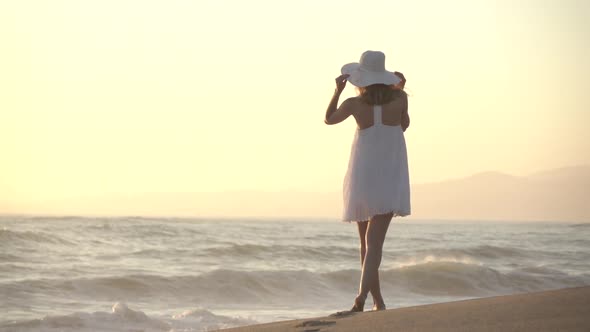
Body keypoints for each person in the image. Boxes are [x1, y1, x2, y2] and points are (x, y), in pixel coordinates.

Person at [324, 50, 411, 312]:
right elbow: (404, 125)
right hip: (389, 176)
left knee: (366, 244)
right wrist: (399, 90)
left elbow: (329, 119)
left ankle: (371, 300)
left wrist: (337, 92)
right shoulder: (400, 99)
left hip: (362, 176)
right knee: (374, 245)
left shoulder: (353, 104)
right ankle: (367, 299)